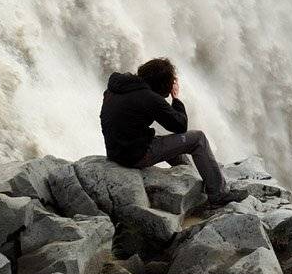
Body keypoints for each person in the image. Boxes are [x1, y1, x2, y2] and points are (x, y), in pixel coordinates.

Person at [99, 57, 241, 205]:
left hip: (115, 151)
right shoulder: (148, 97)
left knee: (166, 140)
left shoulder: (117, 86)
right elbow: (180, 125)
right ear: (162, 84)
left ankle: (191, 174)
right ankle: (218, 194)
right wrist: (176, 98)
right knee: (198, 139)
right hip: (134, 156)